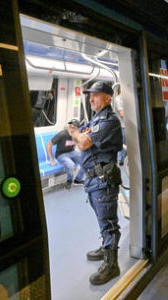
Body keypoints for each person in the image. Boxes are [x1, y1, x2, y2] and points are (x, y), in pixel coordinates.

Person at [69, 81, 122, 285]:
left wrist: (76, 134)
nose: (91, 99)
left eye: (96, 95)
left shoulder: (109, 121)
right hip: (93, 180)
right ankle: (105, 247)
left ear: (107, 98)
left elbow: (82, 141)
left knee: (108, 222)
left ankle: (112, 265)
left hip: (103, 180)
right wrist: (77, 132)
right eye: (90, 95)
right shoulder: (95, 119)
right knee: (102, 218)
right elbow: (78, 132)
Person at [46, 119, 85, 190]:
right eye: (70, 126)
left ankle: (78, 180)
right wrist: (52, 160)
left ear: (77, 129)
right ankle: (69, 181)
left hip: (72, 152)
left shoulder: (78, 135)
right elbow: (48, 145)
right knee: (71, 165)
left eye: (74, 127)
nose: (71, 129)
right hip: (61, 155)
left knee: (85, 160)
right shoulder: (62, 134)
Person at [115, 88, 127, 166]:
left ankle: (125, 159)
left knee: (126, 144)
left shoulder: (124, 100)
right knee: (123, 144)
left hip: (126, 126)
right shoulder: (118, 99)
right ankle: (121, 160)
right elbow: (122, 114)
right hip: (122, 126)